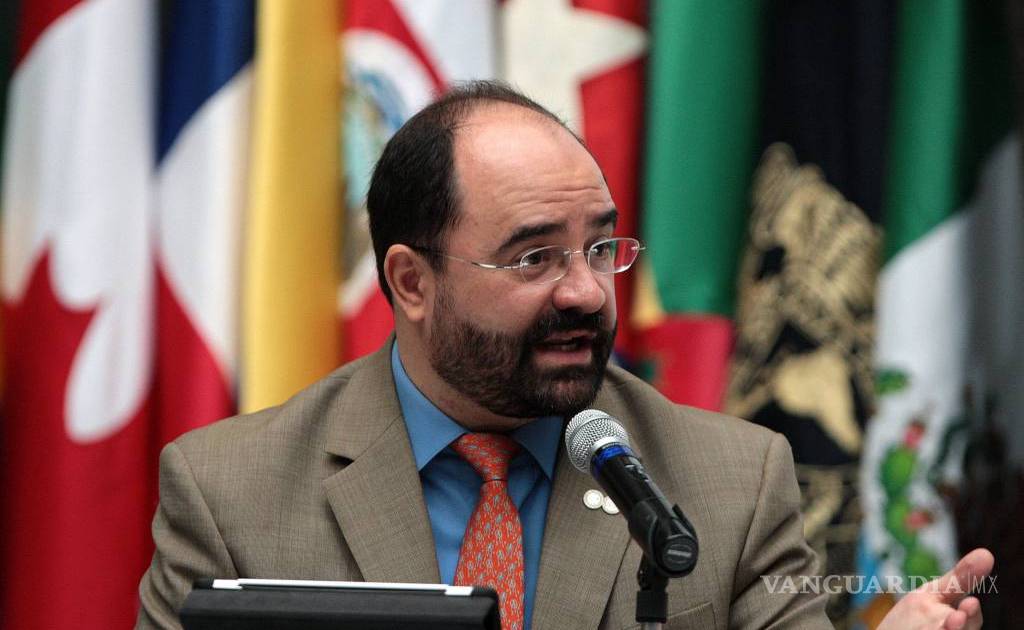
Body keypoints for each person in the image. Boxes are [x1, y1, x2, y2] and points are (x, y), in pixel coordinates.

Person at [136, 81, 991, 629]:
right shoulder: (232, 496)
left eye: (600, 248)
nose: (585, 291)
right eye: (534, 256)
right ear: (411, 282)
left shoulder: (733, 481)